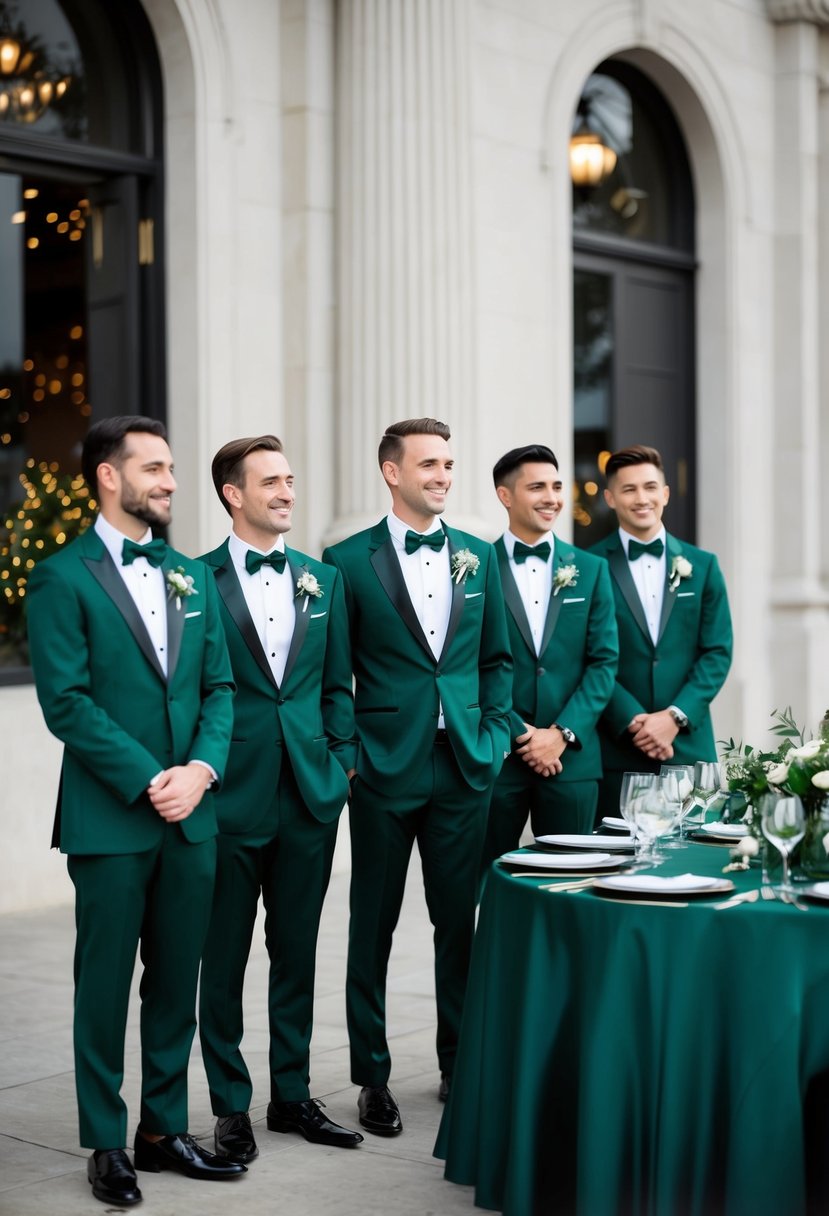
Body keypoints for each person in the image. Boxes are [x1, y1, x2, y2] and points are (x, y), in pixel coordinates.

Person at [26, 416, 243, 1208]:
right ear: (107, 477)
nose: (171, 481)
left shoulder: (190, 574)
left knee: (175, 981)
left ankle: (163, 1129)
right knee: (104, 984)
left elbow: (220, 688)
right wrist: (155, 778)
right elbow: (67, 703)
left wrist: (202, 770)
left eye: (173, 468)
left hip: (193, 815)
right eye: (154, 467)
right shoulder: (62, 576)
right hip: (113, 817)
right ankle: (105, 1142)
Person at [322, 417, 512, 1136]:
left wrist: (492, 739)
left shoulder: (476, 556)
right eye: (428, 464)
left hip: (463, 766)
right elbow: (332, 671)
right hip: (380, 768)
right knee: (370, 926)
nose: (441, 475)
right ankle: (371, 1077)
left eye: (448, 464)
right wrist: (347, 756)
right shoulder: (344, 560)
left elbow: (495, 661)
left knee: (457, 925)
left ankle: (458, 1064)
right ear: (391, 472)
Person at [198, 435, 362, 1163]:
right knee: (222, 958)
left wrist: (343, 761)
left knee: (295, 952)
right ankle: (230, 1106)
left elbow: (336, 685)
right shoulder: (193, 581)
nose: (287, 492)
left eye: (290, 480)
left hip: (309, 794)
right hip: (228, 798)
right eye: (271, 481)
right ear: (233, 494)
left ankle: (290, 1095)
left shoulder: (322, 581)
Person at [479, 444, 618, 876]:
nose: (552, 497)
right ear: (505, 495)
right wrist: (520, 731)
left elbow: (604, 662)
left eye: (557, 486)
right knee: (490, 883)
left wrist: (561, 733)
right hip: (499, 754)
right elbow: (468, 662)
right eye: (537, 486)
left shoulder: (591, 569)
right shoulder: (476, 565)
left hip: (572, 760)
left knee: (573, 882)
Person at [589, 444, 733, 820]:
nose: (642, 498)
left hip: (688, 748)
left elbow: (717, 651)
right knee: (617, 867)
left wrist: (673, 717)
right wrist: (633, 720)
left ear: (665, 493)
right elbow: (584, 655)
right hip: (618, 749)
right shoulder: (588, 567)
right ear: (610, 498)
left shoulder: (703, 566)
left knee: (697, 863)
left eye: (650, 487)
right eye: (629, 489)